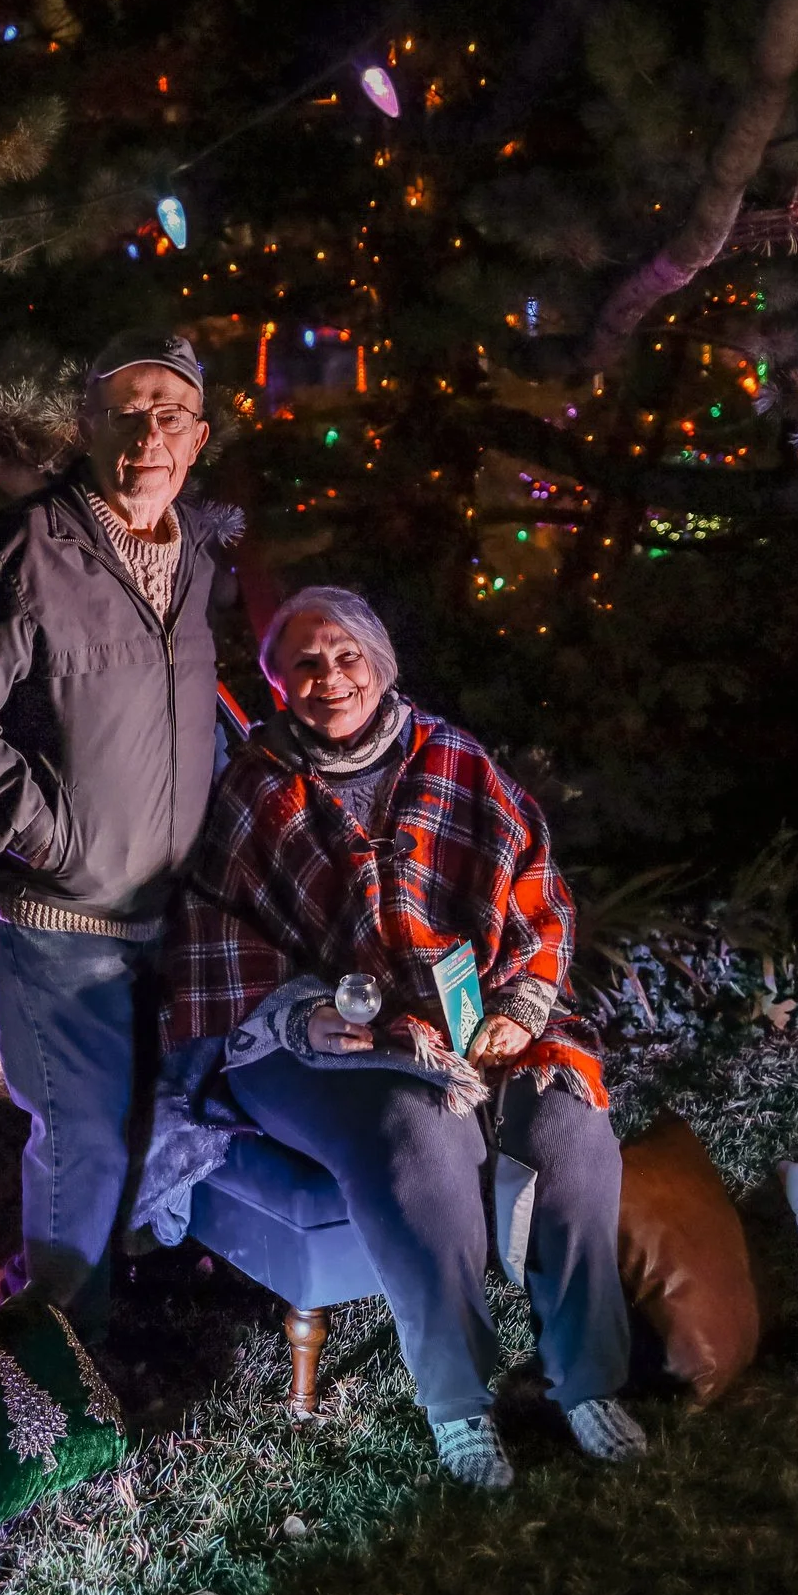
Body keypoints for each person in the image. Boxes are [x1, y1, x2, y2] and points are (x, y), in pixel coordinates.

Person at [162, 586, 643, 1488]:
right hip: (311, 1036)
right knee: (419, 1134)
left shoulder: (454, 760)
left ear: (380, 666)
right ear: (276, 683)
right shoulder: (257, 784)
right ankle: (460, 1403)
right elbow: (213, 931)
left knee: (571, 1129)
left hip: (470, 1018)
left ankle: (587, 1381)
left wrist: (524, 1009)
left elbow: (538, 894)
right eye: (304, 661)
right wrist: (299, 1011)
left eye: (345, 655)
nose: (328, 676)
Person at [0, 331, 231, 1338]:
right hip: (59, 912)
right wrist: (47, 835)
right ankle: (59, 1357)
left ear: (198, 437)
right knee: (81, 1137)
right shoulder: (27, 548)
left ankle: (128, 1306)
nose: (147, 431)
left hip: (163, 907)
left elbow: (179, 706)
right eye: (124, 409)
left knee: (147, 1122)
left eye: (169, 411)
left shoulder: (197, 554)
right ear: (85, 427)